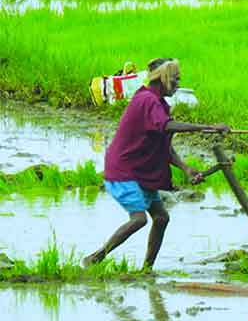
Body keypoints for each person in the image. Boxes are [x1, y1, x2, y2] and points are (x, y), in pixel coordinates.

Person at [83, 58, 230, 271]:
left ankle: (147, 270)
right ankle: (95, 258)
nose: (178, 84)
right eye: (176, 79)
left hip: (139, 171)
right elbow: (167, 126)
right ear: (164, 78)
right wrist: (207, 127)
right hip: (124, 171)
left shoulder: (159, 104)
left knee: (161, 217)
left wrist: (186, 168)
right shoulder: (147, 101)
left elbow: (164, 143)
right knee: (139, 219)